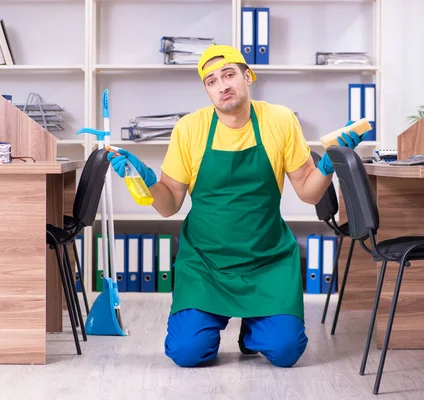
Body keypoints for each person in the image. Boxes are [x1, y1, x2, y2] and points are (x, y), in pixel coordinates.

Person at [107, 44, 369, 368]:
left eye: (229, 75)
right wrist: (146, 179)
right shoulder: (189, 129)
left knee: (286, 350)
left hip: (267, 259)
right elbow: (169, 204)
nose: (222, 86)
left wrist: (329, 165)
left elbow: (308, 193)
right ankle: (219, 321)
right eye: (212, 81)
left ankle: (253, 330)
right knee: (187, 352)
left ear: (248, 77)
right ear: (207, 91)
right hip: (205, 262)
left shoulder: (280, 120)